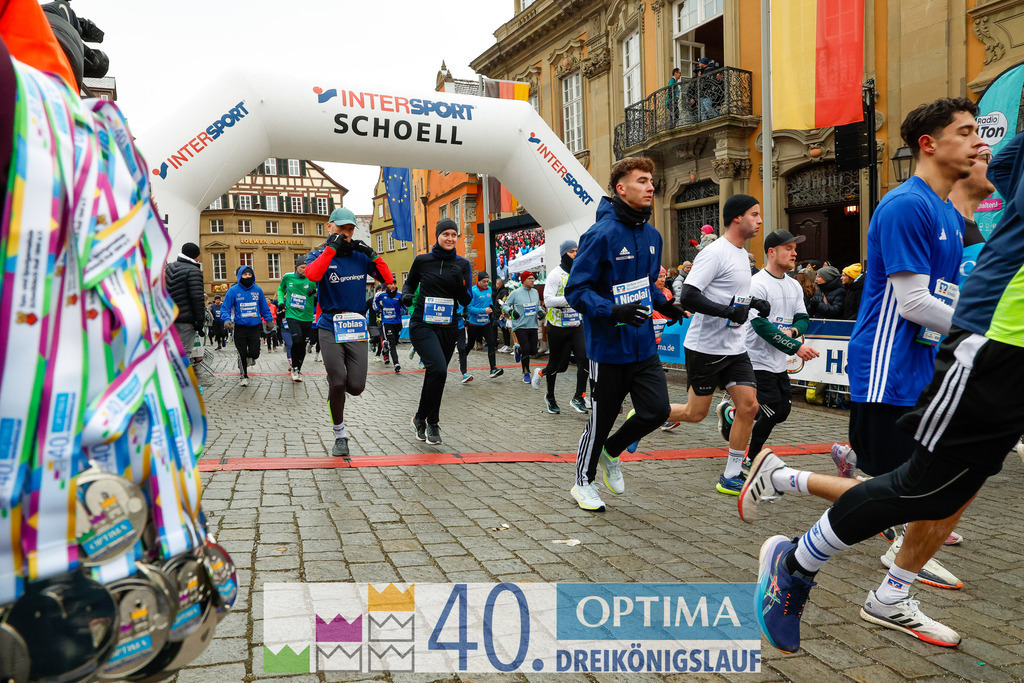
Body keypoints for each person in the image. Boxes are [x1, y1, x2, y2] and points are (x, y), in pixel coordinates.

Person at [747, 98, 986, 655]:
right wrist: (988, 331)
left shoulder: (949, 212)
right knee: (905, 491)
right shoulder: (907, 206)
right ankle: (787, 495)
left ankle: (891, 586)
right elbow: (915, 303)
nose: (980, 142)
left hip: (925, 368)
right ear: (928, 143)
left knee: (937, 484)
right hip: (888, 368)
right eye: (967, 131)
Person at [565, 156, 682, 512]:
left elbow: (646, 284)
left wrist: (666, 303)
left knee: (657, 411)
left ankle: (611, 451)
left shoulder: (652, 235)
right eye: (643, 181)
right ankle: (582, 482)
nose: (651, 187)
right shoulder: (600, 234)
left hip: (644, 343)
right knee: (602, 417)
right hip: (608, 348)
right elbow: (576, 290)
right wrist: (612, 311)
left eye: (652, 181)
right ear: (621, 188)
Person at [662, 194, 770, 495]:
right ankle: (647, 414)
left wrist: (754, 302)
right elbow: (690, 296)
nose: (759, 220)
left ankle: (731, 475)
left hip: (734, 347)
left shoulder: (742, 254)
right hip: (706, 346)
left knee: (749, 407)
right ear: (737, 217)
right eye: (754, 214)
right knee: (695, 414)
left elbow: (731, 296)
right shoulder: (714, 253)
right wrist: (728, 312)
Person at [305, 207, 394, 457]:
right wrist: (331, 248)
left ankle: (337, 388)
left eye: (350, 229)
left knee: (355, 386)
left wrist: (371, 253)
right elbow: (312, 274)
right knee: (337, 381)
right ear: (329, 226)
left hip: (355, 326)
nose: (345, 233)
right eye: (341, 228)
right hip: (329, 325)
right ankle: (340, 433)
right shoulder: (319, 254)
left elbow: (387, 279)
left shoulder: (359, 256)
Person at [723, 230, 819, 457]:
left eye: (795, 249)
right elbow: (760, 326)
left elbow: (803, 318)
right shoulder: (756, 284)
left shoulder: (794, 285)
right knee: (772, 411)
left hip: (777, 362)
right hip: (754, 361)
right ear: (771, 252)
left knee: (783, 411)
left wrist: (794, 331)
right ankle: (751, 458)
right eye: (789, 248)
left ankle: (733, 414)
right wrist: (796, 346)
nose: (795, 253)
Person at [403, 218, 473, 445]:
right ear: (438, 236)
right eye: (446, 234)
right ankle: (433, 422)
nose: (450, 238)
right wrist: (406, 297)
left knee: (435, 374)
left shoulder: (462, 264)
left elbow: (466, 299)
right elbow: (409, 284)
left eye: (454, 234)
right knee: (439, 369)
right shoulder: (423, 260)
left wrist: (459, 281)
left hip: (448, 326)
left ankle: (420, 418)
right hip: (422, 324)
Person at [539, 240, 589, 414]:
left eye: (577, 251)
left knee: (585, 358)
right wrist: (570, 299)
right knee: (556, 365)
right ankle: (550, 398)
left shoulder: (580, 273)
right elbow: (548, 300)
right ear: (563, 254)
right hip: (557, 326)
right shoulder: (555, 274)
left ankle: (579, 396)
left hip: (576, 324)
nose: (575, 255)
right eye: (571, 252)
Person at [220, 265, 273, 386]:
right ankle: (244, 376)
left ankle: (250, 357)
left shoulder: (257, 290)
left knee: (255, 353)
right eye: (245, 275)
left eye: (249, 275)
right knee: (241, 352)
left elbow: (264, 307)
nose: (247, 277)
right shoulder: (233, 291)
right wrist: (227, 320)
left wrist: (269, 320)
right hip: (240, 327)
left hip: (255, 326)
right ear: (240, 276)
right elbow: (225, 308)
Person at [165, 241, 207, 359]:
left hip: (169, 318)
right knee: (183, 354)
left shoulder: (169, 267)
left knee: (170, 352)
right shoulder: (193, 271)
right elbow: (197, 298)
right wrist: (200, 321)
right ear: (196, 256)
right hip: (186, 320)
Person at [277, 262, 318, 381]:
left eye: (307, 268)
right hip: (292, 314)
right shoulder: (288, 277)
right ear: (296, 267)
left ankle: (298, 369)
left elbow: (323, 288)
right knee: (297, 339)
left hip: (307, 316)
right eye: (302, 268)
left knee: (302, 344)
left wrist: (315, 290)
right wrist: (280, 302)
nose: (305, 270)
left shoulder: (313, 278)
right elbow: (280, 289)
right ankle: (294, 367)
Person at [503, 271, 542, 384]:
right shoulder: (515, 293)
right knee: (526, 349)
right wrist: (511, 312)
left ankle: (518, 349)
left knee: (533, 350)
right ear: (524, 280)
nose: (532, 280)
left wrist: (540, 312)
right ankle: (526, 373)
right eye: (530, 278)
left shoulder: (535, 292)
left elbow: (538, 306)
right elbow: (505, 305)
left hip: (533, 325)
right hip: (520, 325)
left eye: (533, 278)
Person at [466, 271, 503, 379]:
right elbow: (470, 308)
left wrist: (492, 308)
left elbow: (489, 303)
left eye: (488, 281)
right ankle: (462, 357)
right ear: (479, 281)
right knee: (470, 344)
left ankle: (493, 368)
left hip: (485, 322)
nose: (487, 284)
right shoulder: (473, 291)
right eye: (484, 281)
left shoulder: (490, 289)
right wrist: (483, 310)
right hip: (474, 323)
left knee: (492, 342)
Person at [376, 281, 405, 372]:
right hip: (387, 322)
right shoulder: (381, 295)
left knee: (395, 341)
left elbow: (406, 306)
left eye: (394, 284)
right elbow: (374, 301)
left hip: (398, 323)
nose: (392, 286)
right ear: (387, 285)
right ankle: (396, 363)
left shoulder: (400, 294)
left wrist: (404, 303)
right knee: (392, 344)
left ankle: (385, 346)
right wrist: (378, 309)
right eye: (391, 284)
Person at [494, 277, 512, 352]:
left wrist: (502, 313)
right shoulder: (499, 291)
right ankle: (505, 344)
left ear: (498, 284)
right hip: (498, 313)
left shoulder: (503, 292)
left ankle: (507, 345)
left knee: (505, 330)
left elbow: (503, 302)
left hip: (502, 314)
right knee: (503, 329)